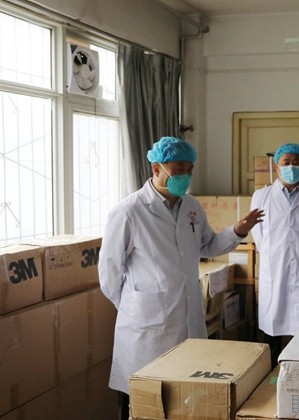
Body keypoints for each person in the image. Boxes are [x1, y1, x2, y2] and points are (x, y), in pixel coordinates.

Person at [98, 136, 264, 420]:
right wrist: (133, 306)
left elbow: (207, 245)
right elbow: (109, 272)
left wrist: (237, 230)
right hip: (145, 325)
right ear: (156, 169)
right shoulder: (129, 211)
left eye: (189, 169)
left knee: (183, 398)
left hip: (187, 318)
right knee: (144, 400)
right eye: (179, 169)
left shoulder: (192, 207)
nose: (185, 175)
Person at [250, 143, 299, 368]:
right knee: (272, 328)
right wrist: (272, 253)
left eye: (296, 162)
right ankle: (270, 375)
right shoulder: (261, 196)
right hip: (274, 269)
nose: (291, 167)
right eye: (286, 162)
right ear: (276, 167)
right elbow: (258, 234)